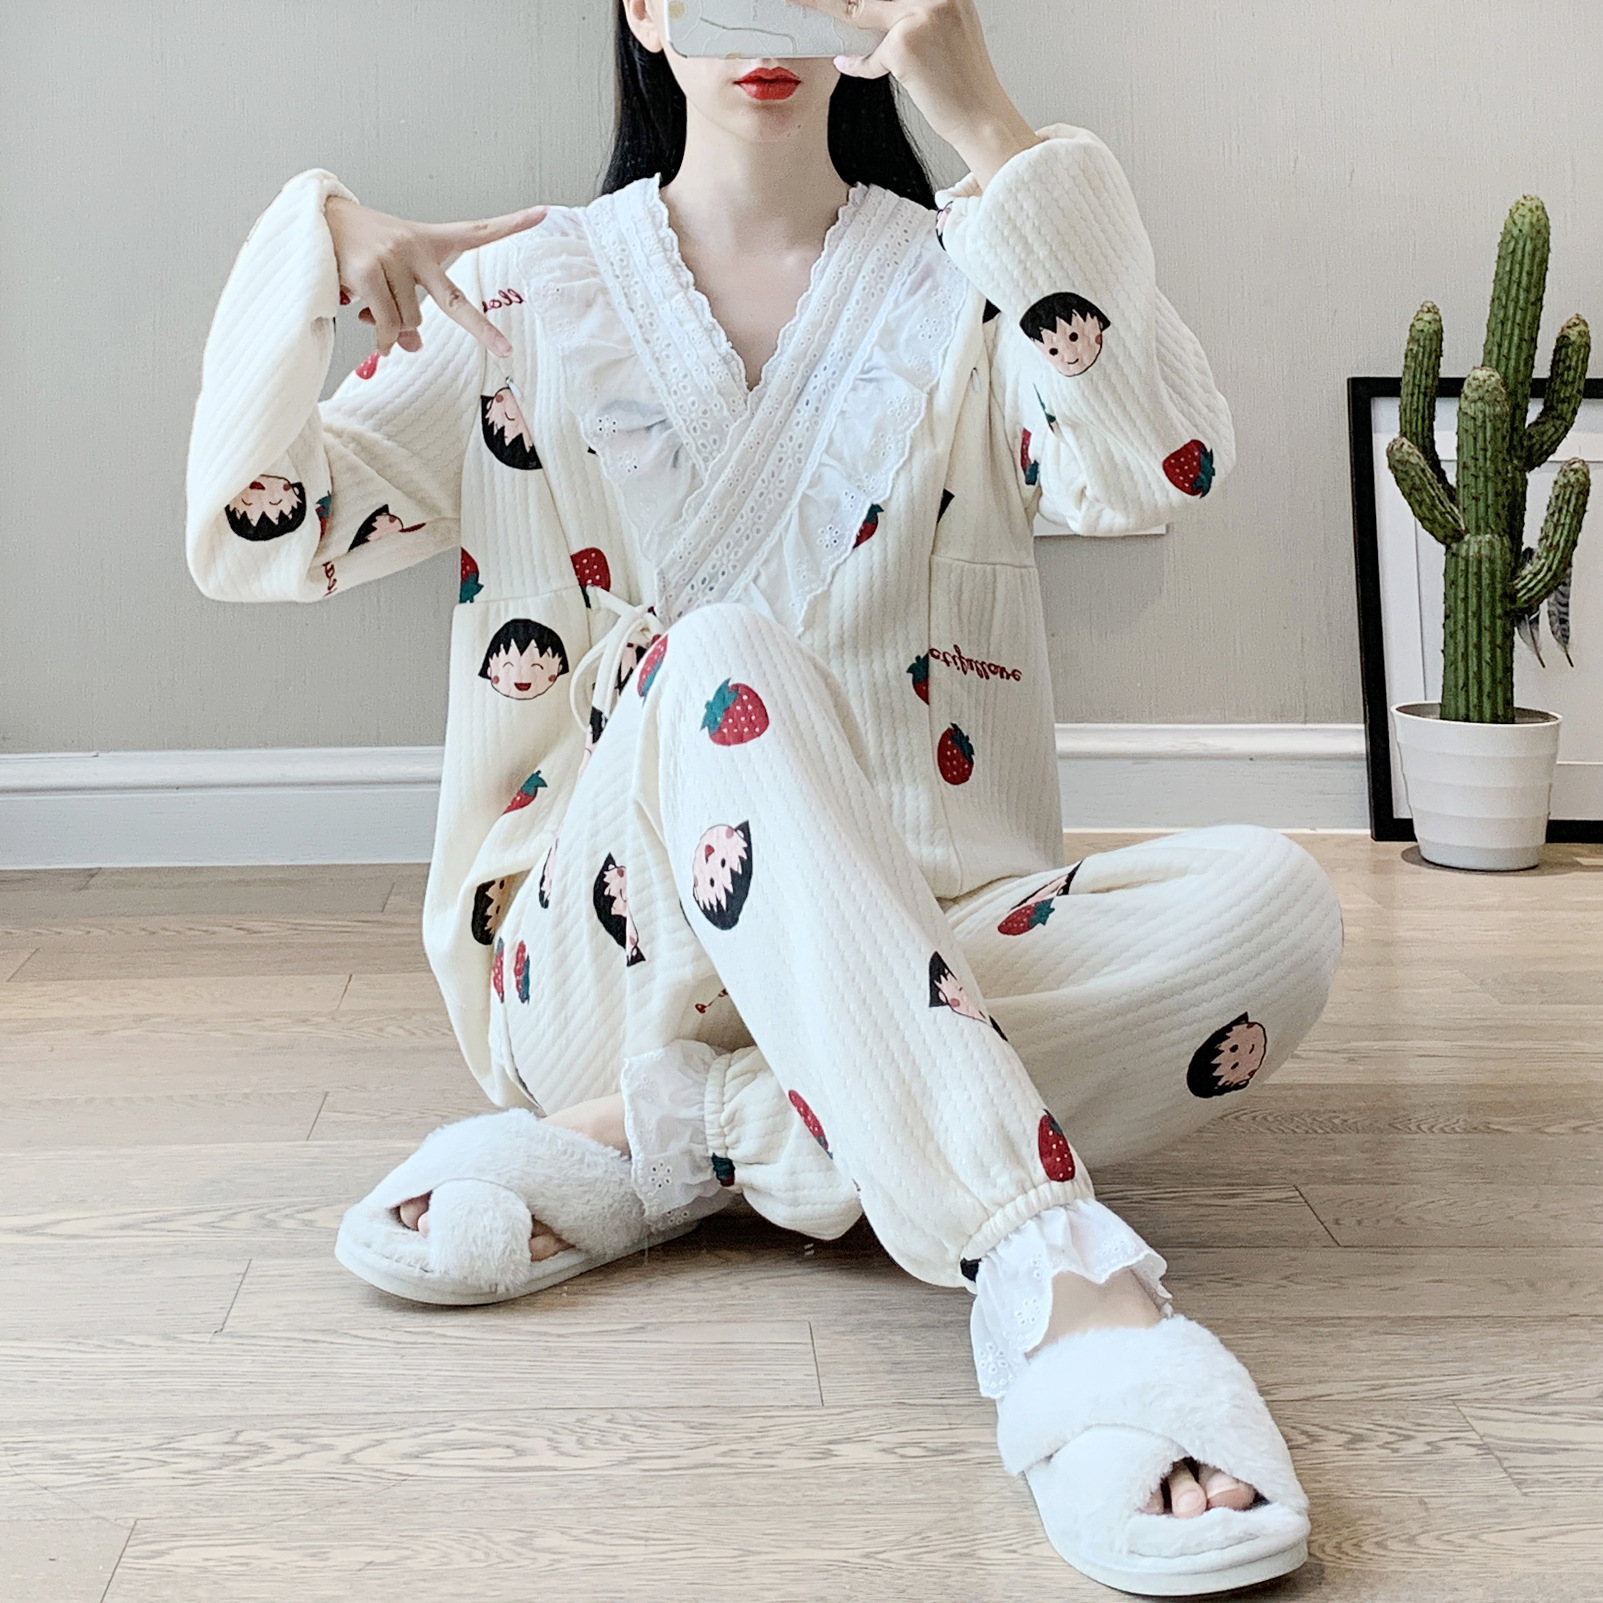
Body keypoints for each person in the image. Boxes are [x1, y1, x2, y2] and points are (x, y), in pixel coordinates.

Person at [185, 0, 1342, 1592]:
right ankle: (1065, 1287)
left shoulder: (969, 277)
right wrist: (314, 250)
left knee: (1275, 909)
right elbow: (258, 537)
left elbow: (1162, 469)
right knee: (721, 652)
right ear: (645, 10)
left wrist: (987, 121)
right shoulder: (513, 293)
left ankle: (674, 1142)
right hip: (599, 968)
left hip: (927, 942)